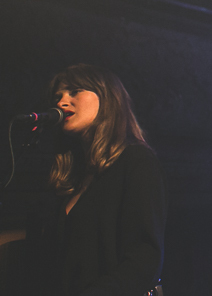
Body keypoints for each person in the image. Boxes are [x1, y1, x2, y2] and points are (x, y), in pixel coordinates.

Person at [30, 64, 167, 296]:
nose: (62, 102)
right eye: (58, 96)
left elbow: (145, 256)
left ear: (106, 98)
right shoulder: (71, 176)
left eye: (74, 91)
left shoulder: (135, 160)